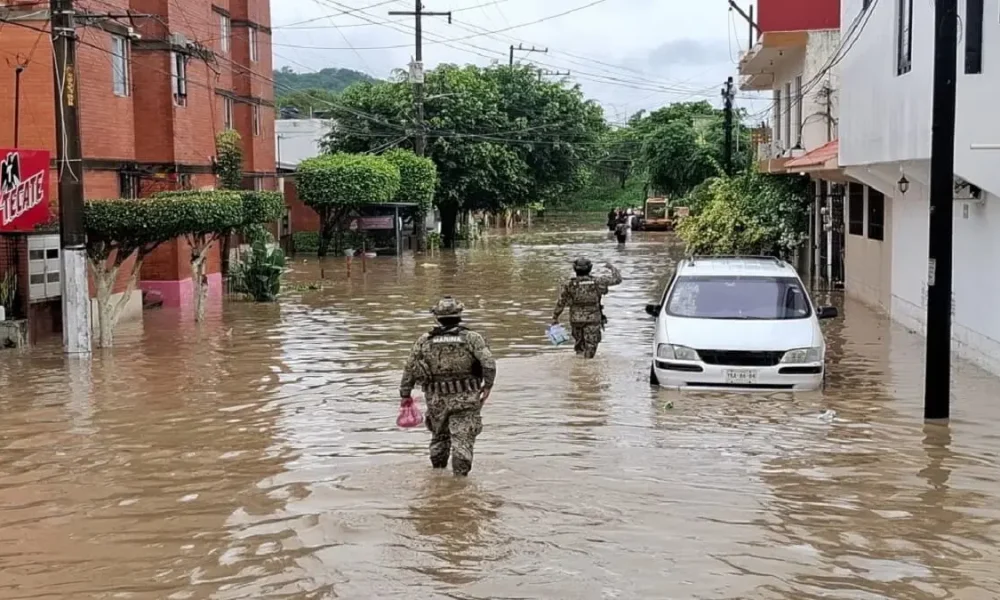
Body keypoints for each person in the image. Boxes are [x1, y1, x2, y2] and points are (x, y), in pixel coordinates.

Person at [399, 296, 497, 477]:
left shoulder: (424, 340)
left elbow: (410, 367)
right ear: (459, 315)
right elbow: (488, 363)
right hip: (466, 398)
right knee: (462, 438)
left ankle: (438, 476)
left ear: (437, 317)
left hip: (436, 399)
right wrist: (488, 385)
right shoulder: (472, 338)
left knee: (439, 437)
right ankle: (460, 483)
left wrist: (405, 393)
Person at [552, 258, 623, 358]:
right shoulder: (598, 281)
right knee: (591, 348)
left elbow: (561, 302)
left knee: (579, 347)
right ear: (590, 268)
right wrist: (612, 267)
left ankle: (579, 369)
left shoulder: (568, 284)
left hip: (576, 320)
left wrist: (555, 317)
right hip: (593, 319)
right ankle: (587, 370)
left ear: (575, 269)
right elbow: (618, 279)